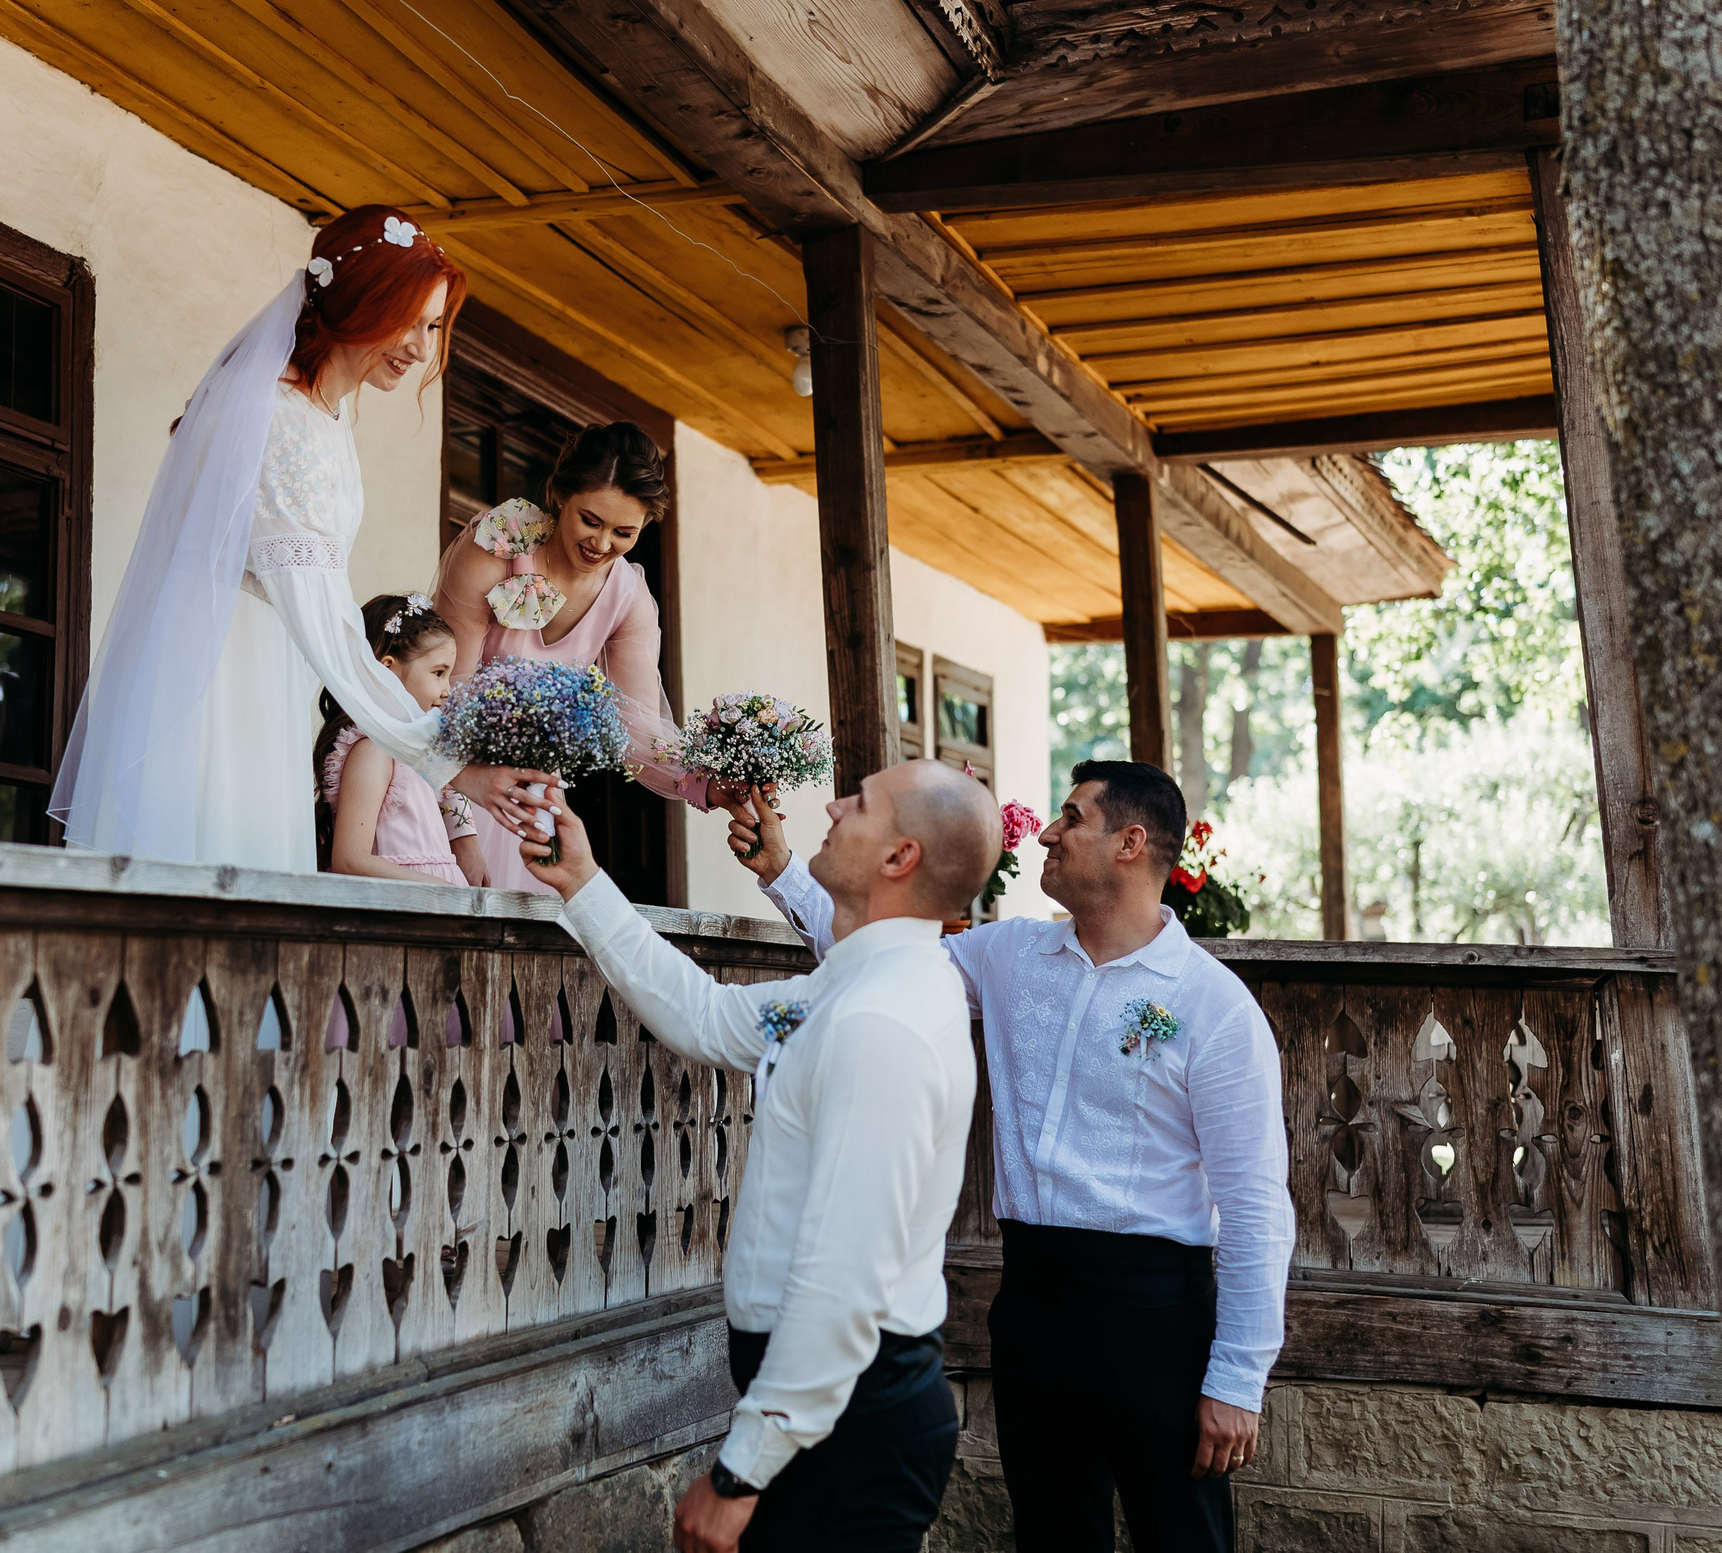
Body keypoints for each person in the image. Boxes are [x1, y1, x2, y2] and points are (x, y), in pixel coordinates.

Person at [729, 761, 1295, 1553]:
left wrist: (1238, 1377)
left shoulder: (1214, 1006)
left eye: (1072, 817)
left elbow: (1258, 1202)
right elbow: (884, 957)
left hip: (1157, 1318)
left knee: (1184, 1539)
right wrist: (786, 872)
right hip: (1032, 1300)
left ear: (1131, 843)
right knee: (1052, 1535)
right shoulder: (1008, 954)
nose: (1049, 833)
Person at [522, 758, 995, 1553]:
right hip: (830, 1408)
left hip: (849, 1423)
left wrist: (740, 1472)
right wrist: (584, 883)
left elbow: (843, 1279)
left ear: (898, 857)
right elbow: (708, 1017)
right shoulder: (848, 989)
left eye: (863, 802)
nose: (836, 805)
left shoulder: (883, 1020)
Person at [51, 206, 557, 868]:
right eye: (405, 318)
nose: (421, 345)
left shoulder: (325, 416)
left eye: (433, 325)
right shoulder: (283, 420)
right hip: (226, 683)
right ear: (356, 301)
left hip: (259, 669)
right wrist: (450, 760)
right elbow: (328, 627)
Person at [431, 423, 723, 895]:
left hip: (532, 807)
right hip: (453, 785)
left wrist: (706, 783)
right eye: (591, 520)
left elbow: (638, 730)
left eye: (624, 532)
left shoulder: (628, 599)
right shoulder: (496, 550)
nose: (602, 544)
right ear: (562, 494)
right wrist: (459, 828)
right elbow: (439, 698)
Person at [315, 593, 487, 888]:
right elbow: (349, 859)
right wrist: (442, 889)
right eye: (438, 673)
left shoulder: (413, 748)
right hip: (401, 900)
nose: (448, 690)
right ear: (387, 669)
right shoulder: (372, 751)